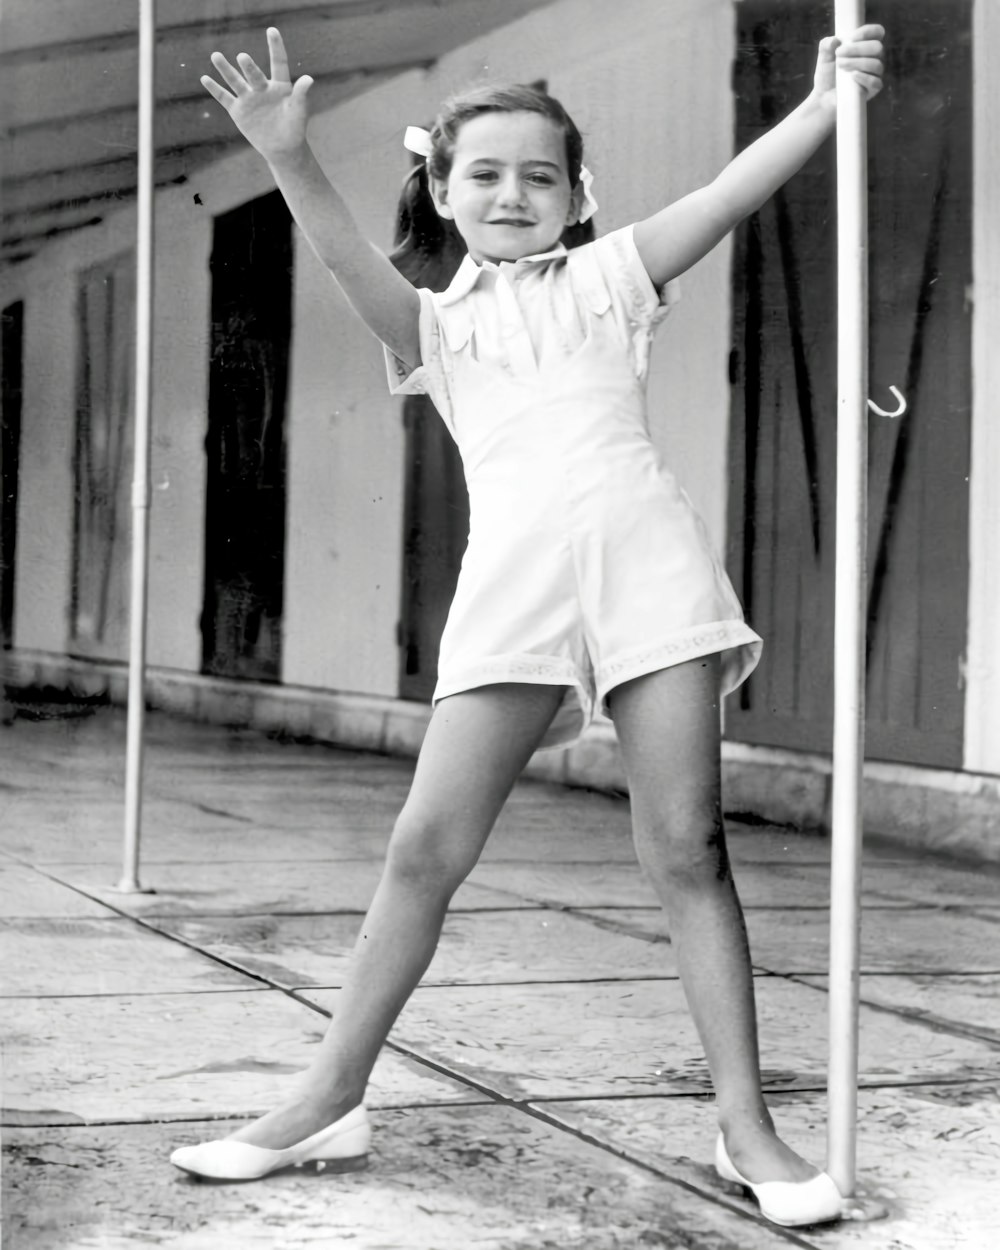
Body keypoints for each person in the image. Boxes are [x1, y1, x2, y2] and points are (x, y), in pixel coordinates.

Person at [173, 24, 885, 1228]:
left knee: (686, 849)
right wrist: (287, 155)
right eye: (486, 176)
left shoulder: (616, 277)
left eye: (540, 175)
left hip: (649, 578)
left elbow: (723, 192)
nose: (513, 194)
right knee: (422, 849)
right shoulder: (435, 328)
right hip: (512, 588)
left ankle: (743, 1123)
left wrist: (820, 107)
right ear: (444, 194)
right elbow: (348, 257)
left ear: (578, 195)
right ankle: (328, 1095)